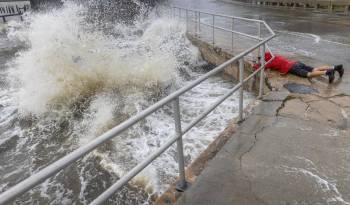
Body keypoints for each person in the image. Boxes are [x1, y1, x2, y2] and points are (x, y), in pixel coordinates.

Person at [252, 52, 344, 83]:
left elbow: (259, 67)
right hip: (297, 63)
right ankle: (335, 67)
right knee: (314, 69)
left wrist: (255, 64)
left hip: (292, 68)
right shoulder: (275, 56)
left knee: (308, 74)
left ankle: (328, 73)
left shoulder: (269, 63)